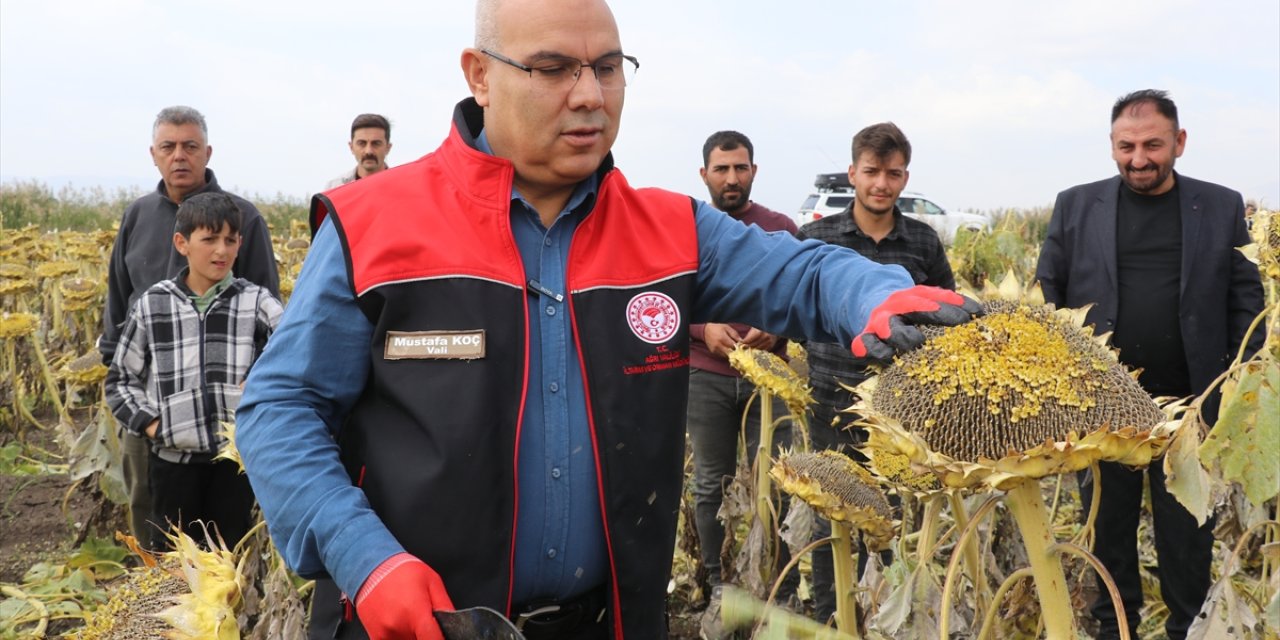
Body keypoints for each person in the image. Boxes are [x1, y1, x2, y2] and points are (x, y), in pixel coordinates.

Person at [235, 1, 980, 638]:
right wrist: (366, 559)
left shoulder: (671, 230)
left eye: (609, 67)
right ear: (478, 75)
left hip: (613, 618)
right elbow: (280, 409)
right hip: (425, 623)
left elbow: (801, 271)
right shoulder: (375, 226)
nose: (590, 94)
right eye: (554, 68)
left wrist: (871, 295)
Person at [1035, 89, 1264, 640]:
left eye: (1152, 145)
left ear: (1179, 143)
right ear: (1112, 146)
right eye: (1126, 146)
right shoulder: (1075, 204)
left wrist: (1234, 387)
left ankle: (1189, 627)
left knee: (1186, 538)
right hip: (1101, 409)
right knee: (1105, 535)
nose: (1139, 158)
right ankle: (1116, 630)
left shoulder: (1221, 205)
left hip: (1191, 408)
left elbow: (1244, 300)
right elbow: (1048, 293)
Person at [796, 121, 957, 626]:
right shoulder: (817, 237)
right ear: (852, 174)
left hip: (896, 412)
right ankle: (833, 620)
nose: (881, 184)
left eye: (892, 174)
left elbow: (944, 314)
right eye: (871, 172)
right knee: (832, 519)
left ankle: (883, 621)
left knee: (888, 521)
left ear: (905, 177)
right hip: (830, 399)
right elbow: (795, 308)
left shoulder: (923, 244)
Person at [101, 106, 279, 549]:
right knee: (153, 509)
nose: (179, 156)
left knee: (230, 540)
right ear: (154, 154)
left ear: (207, 152)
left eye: (190, 146)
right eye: (169, 147)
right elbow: (119, 298)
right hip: (155, 413)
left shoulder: (243, 217)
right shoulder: (137, 216)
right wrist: (147, 418)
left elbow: (276, 332)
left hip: (227, 432)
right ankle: (156, 591)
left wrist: (254, 395)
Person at [685, 130, 801, 635]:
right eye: (721, 169)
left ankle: (773, 583)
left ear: (753, 171)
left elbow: (801, 293)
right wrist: (700, 328)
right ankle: (717, 582)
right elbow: (665, 299)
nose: (731, 178)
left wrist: (778, 325)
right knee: (710, 481)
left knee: (772, 482)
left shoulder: (779, 229)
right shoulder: (684, 228)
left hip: (769, 382)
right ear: (704, 174)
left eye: (741, 168)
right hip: (705, 376)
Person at [325, 114, 394, 189]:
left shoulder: (402, 187)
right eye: (362, 143)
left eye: (376, 143)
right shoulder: (334, 189)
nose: (369, 151)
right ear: (351, 147)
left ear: (388, 148)